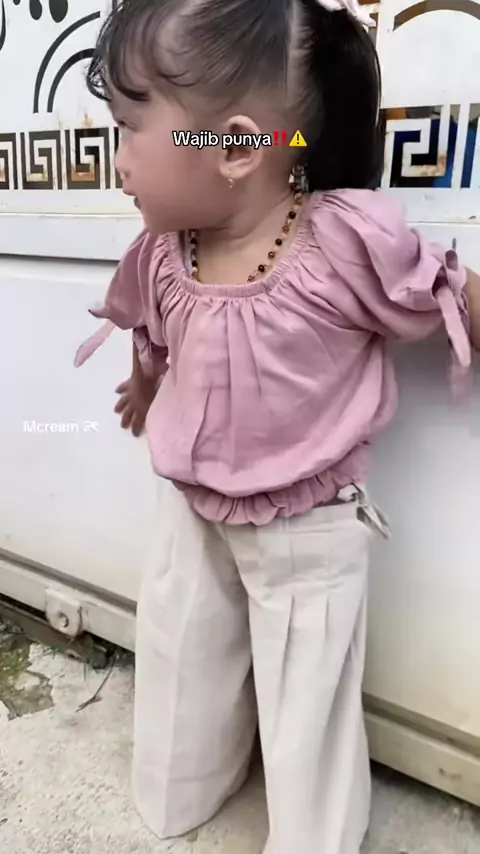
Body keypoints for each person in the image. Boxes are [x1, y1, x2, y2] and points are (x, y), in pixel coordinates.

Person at [74, 0, 480, 851]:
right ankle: (182, 791)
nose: (118, 161)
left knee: (306, 695)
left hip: (306, 527)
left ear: (234, 148)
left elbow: (437, 287)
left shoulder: (340, 246)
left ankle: (311, 835)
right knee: (181, 648)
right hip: (192, 510)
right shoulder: (165, 254)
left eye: (129, 129)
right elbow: (154, 335)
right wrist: (144, 386)